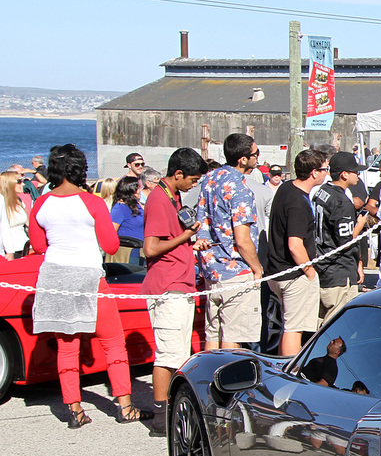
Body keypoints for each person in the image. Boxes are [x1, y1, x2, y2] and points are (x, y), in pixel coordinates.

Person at [27, 144, 138, 427]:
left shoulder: (41, 202)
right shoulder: (91, 202)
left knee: (67, 348)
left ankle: (75, 411)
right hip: (89, 275)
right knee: (113, 342)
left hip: (54, 275)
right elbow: (111, 244)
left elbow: (39, 245)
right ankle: (125, 407)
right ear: (79, 169)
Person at [141, 148, 206, 434]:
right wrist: (186, 236)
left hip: (179, 282)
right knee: (168, 355)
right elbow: (151, 247)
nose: (194, 185)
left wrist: (189, 244)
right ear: (177, 174)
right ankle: (160, 417)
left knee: (178, 352)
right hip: (167, 286)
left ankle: (169, 410)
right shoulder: (158, 199)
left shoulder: (172, 196)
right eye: (192, 179)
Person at [194, 133, 264, 350]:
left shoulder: (210, 178)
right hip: (235, 271)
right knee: (232, 337)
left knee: (213, 334)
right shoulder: (240, 189)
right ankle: (225, 383)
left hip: (211, 269)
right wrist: (257, 268)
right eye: (255, 154)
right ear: (243, 159)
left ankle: (207, 382)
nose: (257, 159)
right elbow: (242, 240)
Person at [267, 149, 326, 357]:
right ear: (313, 173)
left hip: (277, 271)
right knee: (294, 328)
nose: (326, 173)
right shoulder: (299, 203)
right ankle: (288, 372)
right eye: (324, 169)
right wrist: (309, 271)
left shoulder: (285, 188)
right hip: (293, 274)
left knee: (288, 324)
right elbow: (295, 244)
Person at [313, 150, 365, 314]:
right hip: (338, 270)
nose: (358, 175)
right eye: (355, 171)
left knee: (321, 323)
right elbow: (345, 242)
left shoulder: (322, 191)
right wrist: (360, 224)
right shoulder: (342, 202)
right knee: (337, 326)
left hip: (321, 263)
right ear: (344, 174)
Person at [0, 170, 29, 258]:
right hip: (11, 249)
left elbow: (28, 224)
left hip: (25, 246)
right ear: (8, 184)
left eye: (23, 181)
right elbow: (4, 227)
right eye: (19, 182)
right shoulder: (2, 202)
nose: (23, 184)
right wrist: (9, 251)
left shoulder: (19, 201)